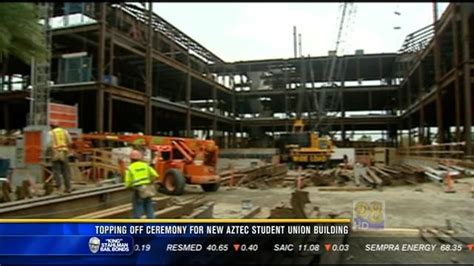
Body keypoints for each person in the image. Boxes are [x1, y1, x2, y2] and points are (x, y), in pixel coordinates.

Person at [124, 150, 159, 219]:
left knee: (137, 209)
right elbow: (155, 175)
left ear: (131, 159)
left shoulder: (130, 168)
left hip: (138, 190)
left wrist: (130, 188)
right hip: (147, 190)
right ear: (140, 158)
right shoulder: (145, 166)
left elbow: (128, 183)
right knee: (149, 207)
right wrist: (150, 183)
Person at [48, 121, 73, 193]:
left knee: (56, 171)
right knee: (66, 171)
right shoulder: (65, 132)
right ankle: (68, 188)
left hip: (55, 153)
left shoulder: (51, 133)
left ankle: (59, 188)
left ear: (51, 126)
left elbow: (48, 145)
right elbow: (70, 142)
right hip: (64, 153)